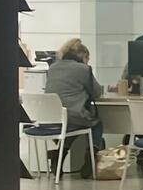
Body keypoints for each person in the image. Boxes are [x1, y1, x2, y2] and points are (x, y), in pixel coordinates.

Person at [44, 39, 106, 177]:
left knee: (72, 127)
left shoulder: (53, 67)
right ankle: (91, 157)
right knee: (96, 124)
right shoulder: (83, 69)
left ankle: (58, 156)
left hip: (53, 118)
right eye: (87, 58)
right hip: (73, 116)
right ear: (82, 55)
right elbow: (96, 93)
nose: (87, 62)